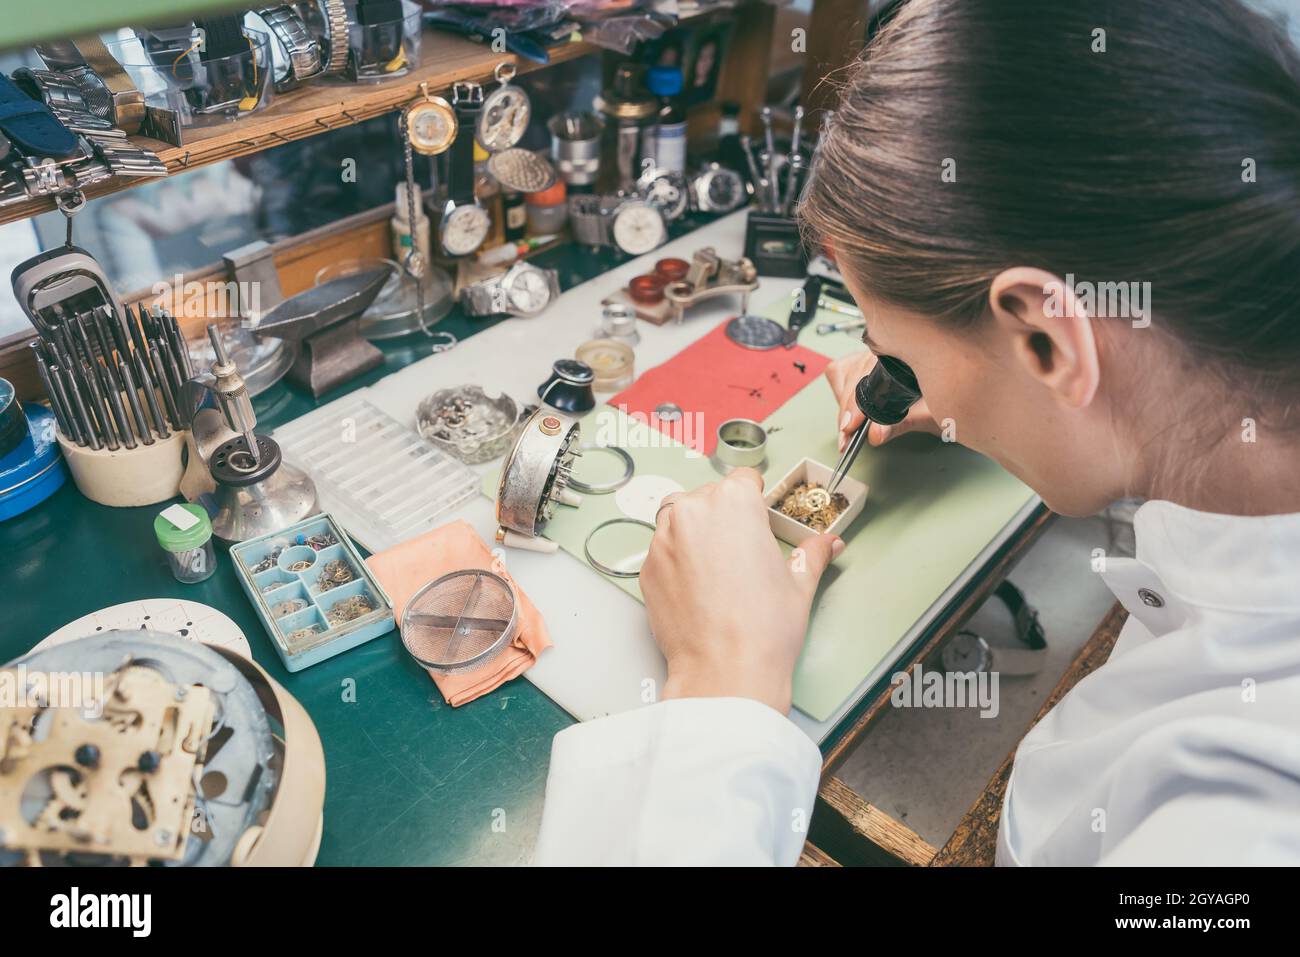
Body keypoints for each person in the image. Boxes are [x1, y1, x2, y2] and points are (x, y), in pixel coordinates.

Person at [535, 0, 1300, 865]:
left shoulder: (1242, 824)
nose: (893, 380)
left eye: (894, 351)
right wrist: (988, 392)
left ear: (1047, 340)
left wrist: (723, 685)